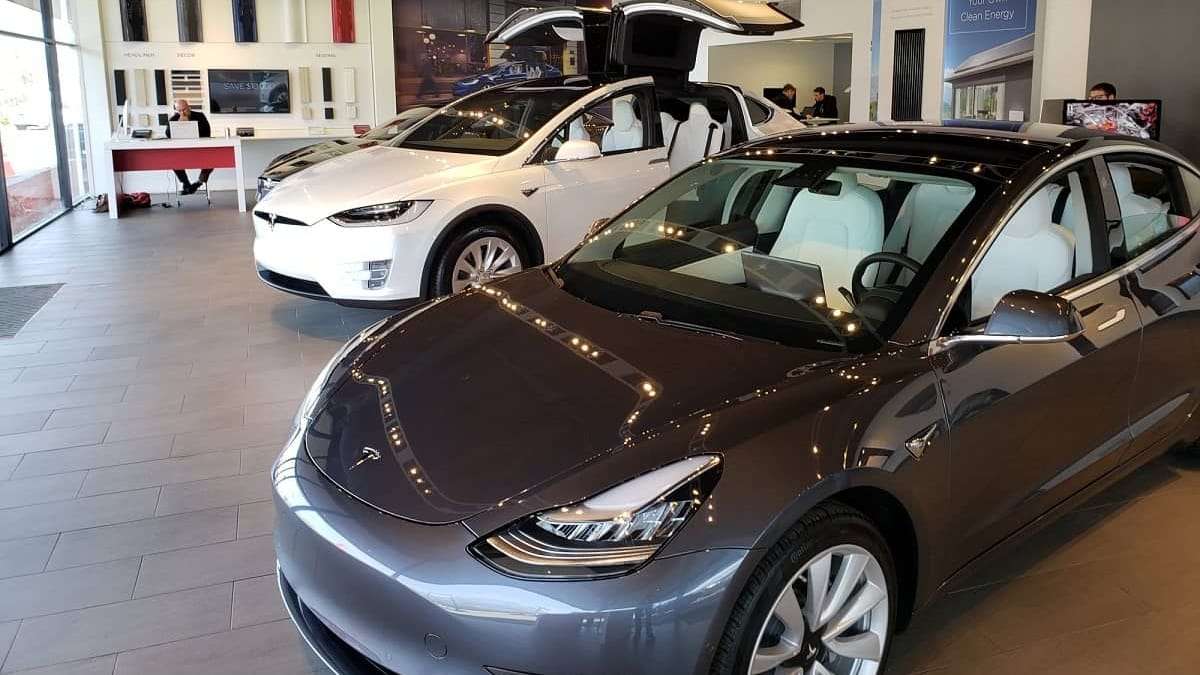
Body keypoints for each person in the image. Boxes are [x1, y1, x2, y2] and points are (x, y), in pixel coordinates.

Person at [166, 98, 212, 195]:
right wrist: (179, 124)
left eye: (184, 109)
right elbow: (168, 135)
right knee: (172, 160)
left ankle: (199, 182)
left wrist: (189, 124)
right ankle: (186, 183)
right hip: (183, 152)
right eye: (179, 111)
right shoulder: (174, 119)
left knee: (213, 159)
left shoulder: (200, 116)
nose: (182, 112)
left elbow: (207, 132)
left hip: (200, 150)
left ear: (189, 108)